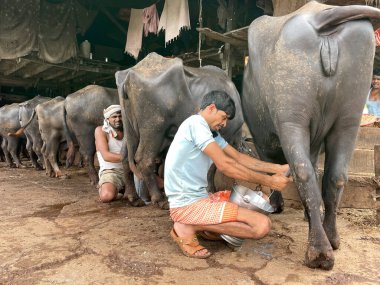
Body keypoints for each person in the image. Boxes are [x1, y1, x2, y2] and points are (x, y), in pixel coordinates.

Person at [164, 90, 293, 259]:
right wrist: (270, 181)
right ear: (211, 108)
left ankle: (205, 226)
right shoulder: (195, 124)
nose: (224, 124)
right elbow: (226, 165)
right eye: (224, 117)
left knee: (264, 199)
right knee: (261, 226)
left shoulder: (210, 133)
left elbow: (239, 158)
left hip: (202, 198)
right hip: (186, 205)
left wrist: (279, 168)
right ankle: (187, 225)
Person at [95, 104, 147, 203]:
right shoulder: (101, 131)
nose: (118, 119)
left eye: (120, 116)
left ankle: (124, 188)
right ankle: (110, 188)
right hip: (112, 171)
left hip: (132, 168)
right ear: (107, 118)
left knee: (162, 185)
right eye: (114, 117)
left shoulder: (129, 130)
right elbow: (106, 156)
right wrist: (132, 159)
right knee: (106, 196)